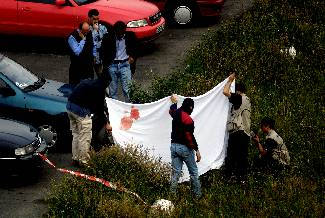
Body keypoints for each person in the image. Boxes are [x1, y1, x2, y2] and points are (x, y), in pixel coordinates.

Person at [66, 73, 112, 166]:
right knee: (85, 137)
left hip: (69, 108)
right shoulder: (99, 89)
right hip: (80, 111)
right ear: (106, 83)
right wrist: (106, 123)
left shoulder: (88, 81)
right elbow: (99, 109)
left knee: (76, 134)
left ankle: (75, 158)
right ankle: (84, 162)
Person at [169, 95, 202, 198]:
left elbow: (171, 111)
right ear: (191, 107)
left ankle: (172, 195)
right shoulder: (188, 120)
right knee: (193, 172)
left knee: (176, 173)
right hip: (184, 148)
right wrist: (196, 150)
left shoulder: (176, 113)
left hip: (173, 147)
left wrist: (174, 103)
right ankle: (197, 196)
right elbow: (189, 137)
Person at [223, 73, 251, 182]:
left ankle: (229, 177)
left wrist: (229, 81)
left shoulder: (238, 98)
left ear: (238, 90)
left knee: (231, 155)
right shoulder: (247, 100)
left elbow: (225, 91)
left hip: (237, 131)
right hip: (245, 132)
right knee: (242, 156)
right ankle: (242, 178)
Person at [100, 21, 137, 102]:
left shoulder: (130, 36)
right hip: (112, 65)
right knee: (113, 92)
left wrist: (132, 57)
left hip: (125, 64)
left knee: (128, 90)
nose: (120, 36)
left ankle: (129, 109)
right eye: (118, 34)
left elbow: (136, 48)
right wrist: (105, 64)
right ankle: (116, 111)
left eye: (122, 34)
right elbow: (102, 51)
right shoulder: (108, 37)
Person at [67, 21, 96, 86]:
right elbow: (78, 52)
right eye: (84, 31)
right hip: (77, 67)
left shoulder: (89, 33)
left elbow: (93, 45)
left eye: (88, 30)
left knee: (88, 87)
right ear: (80, 30)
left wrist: (94, 56)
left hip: (88, 67)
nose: (87, 33)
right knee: (75, 88)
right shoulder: (72, 37)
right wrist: (83, 40)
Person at [88, 9, 109, 76]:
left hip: (100, 55)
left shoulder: (102, 28)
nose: (96, 21)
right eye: (94, 19)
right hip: (91, 55)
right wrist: (95, 31)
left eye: (97, 19)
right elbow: (90, 41)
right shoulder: (87, 28)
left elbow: (106, 39)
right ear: (89, 18)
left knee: (101, 74)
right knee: (89, 75)